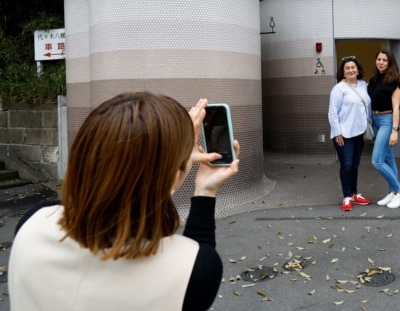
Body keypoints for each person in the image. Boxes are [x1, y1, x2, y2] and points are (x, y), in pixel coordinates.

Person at [8, 92, 240, 311]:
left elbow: (108, 192)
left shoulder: (32, 223)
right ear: (169, 179)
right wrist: (204, 191)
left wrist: (171, 161)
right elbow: (197, 259)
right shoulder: (195, 271)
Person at [328, 55, 372, 211]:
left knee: (355, 165)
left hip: (359, 132)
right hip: (343, 134)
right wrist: (337, 133)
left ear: (358, 70)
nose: (351, 70)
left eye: (353, 67)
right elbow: (333, 113)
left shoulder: (364, 86)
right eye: (347, 68)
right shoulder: (339, 88)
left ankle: (354, 194)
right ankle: (347, 196)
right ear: (343, 72)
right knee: (346, 165)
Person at [367, 49, 400, 209]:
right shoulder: (373, 80)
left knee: (376, 161)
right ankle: (392, 192)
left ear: (390, 63)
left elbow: (396, 108)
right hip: (375, 120)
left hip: (387, 120)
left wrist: (394, 130)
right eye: (379, 59)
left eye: (385, 60)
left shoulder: (394, 81)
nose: (381, 62)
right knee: (388, 159)